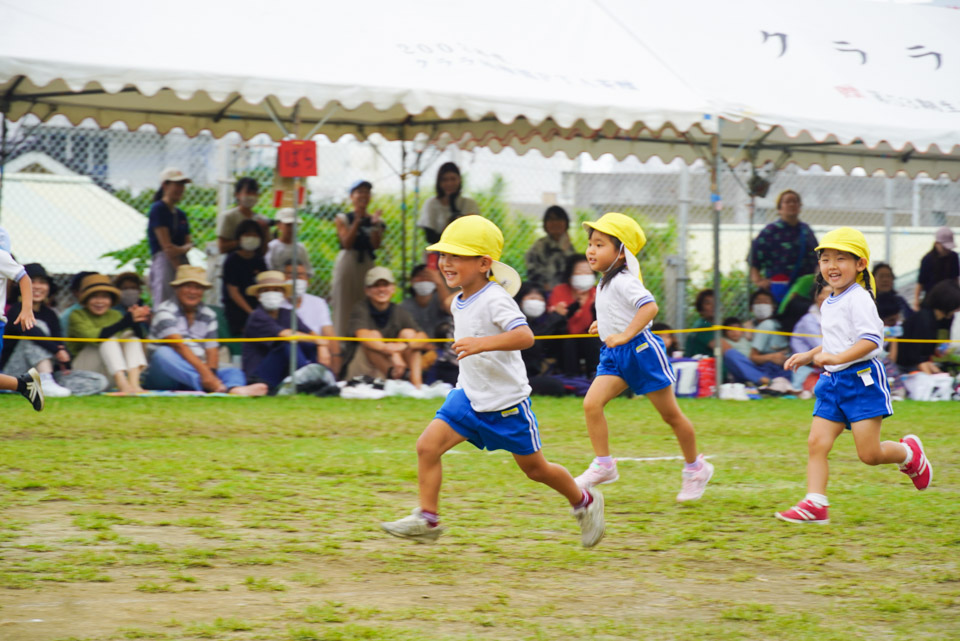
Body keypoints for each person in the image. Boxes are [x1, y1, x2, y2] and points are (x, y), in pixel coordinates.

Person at [380, 215, 604, 547]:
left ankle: (584, 501)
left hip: (505, 405)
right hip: (468, 397)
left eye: (456, 256)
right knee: (427, 447)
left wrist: (481, 343)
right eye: (443, 255)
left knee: (536, 469)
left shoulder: (496, 298)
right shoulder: (458, 300)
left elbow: (525, 336)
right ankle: (428, 520)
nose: (445, 263)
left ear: (484, 263)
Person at [777, 227, 931, 525]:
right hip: (832, 382)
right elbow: (840, 339)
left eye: (841, 258)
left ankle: (909, 453)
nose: (831, 266)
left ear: (860, 264)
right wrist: (812, 354)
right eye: (825, 259)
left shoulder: (859, 298)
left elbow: (872, 340)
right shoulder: (832, 299)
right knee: (816, 443)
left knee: (870, 455)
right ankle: (815, 503)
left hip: (861, 381)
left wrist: (836, 358)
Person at [573, 213, 713, 502]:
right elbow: (622, 311)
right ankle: (604, 465)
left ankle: (696, 468)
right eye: (590, 243)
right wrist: (608, 326)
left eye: (600, 244)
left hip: (641, 352)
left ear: (621, 253)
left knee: (671, 416)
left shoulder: (624, 280)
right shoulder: (604, 283)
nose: (591, 250)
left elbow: (649, 308)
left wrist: (624, 334)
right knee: (591, 403)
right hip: (614, 355)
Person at [143, 265, 267, 396]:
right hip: (166, 374)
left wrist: (212, 374)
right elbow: (179, 346)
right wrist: (207, 377)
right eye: (188, 286)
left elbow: (211, 350)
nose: (193, 292)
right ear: (176, 289)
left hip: (196, 370)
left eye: (198, 287)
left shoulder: (209, 314)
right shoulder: (165, 311)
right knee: (163, 354)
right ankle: (210, 387)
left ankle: (233, 389)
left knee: (233, 370)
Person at [343, 267, 431, 387]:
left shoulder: (400, 311)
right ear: (367, 290)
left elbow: (423, 337)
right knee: (373, 336)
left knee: (409, 334)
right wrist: (392, 352)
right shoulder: (360, 309)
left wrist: (404, 346)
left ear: (393, 288)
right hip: (364, 367)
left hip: (397, 365)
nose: (381, 289)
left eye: (385, 285)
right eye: (376, 286)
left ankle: (417, 385)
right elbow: (362, 335)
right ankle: (393, 377)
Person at [242, 271, 327, 389]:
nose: (271, 294)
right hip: (259, 375)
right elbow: (286, 335)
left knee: (310, 346)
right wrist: (320, 341)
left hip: (282, 373)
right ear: (258, 295)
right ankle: (306, 382)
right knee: (288, 344)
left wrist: (322, 346)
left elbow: (310, 334)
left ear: (284, 294)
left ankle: (319, 379)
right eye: (266, 290)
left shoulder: (287, 314)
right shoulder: (257, 316)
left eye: (276, 290)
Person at [67, 274, 149, 394]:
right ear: (86, 299)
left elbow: (139, 337)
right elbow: (96, 337)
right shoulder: (77, 315)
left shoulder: (115, 315)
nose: (100, 301)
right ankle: (123, 386)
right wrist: (126, 321)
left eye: (105, 297)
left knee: (130, 337)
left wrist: (134, 321)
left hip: (110, 371)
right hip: (85, 372)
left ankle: (134, 384)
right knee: (108, 339)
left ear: (111, 300)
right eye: (94, 296)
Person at [1, 263, 73, 397]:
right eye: (32, 282)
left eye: (42, 282)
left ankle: (49, 382)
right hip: (13, 371)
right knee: (36, 327)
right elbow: (31, 332)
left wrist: (64, 356)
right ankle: (43, 381)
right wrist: (57, 350)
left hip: (49, 366)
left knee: (98, 381)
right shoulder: (15, 310)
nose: (37, 287)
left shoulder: (50, 314)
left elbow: (58, 339)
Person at [331, 180, 385, 336]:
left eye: (366, 192)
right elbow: (346, 243)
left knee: (367, 302)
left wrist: (375, 225)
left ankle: (365, 340)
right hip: (348, 262)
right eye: (359, 192)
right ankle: (341, 343)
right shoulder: (343, 218)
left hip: (367, 264)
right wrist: (357, 220)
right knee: (344, 304)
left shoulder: (377, 220)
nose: (363, 195)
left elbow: (376, 245)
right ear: (351, 196)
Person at [0, 228, 45, 411]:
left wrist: (27, 308)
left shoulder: (1, 257)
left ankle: (23, 385)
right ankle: (24, 384)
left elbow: (24, 278)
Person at [748, 189, 819, 302]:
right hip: (778, 292)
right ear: (779, 208)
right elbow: (753, 260)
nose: (792, 204)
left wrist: (817, 280)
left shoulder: (806, 231)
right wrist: (759, 282)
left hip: (803, 292)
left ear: (800, 206)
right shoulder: (769, 232)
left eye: (795, 201)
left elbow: (818, 259)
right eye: (787, 202)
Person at [721, 289, 793, 390]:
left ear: (773, 307)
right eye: (758, 302)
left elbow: (753, 357)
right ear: (751, 308)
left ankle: (767, 382)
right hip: (759, 368)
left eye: (766, 302)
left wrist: (770, 357)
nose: (762, 305)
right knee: (732, 356)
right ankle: (762, 382)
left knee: (731, 356)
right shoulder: (748, 326)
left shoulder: (768, 325)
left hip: (773, 369)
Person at [280, 260, 340, 376]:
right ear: (283, 279)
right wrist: (320, 342)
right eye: (290, 275)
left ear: (308, 281)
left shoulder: (318, 303)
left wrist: (335, 367)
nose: (295, 280)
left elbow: (329, 334)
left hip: (316, 352)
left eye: (300, 275)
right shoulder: (277, 305)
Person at [147, 167, 193, 306]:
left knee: (185, 304)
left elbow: (187, 243)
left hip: (182, 261)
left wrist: (180, 250)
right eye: (177, 184)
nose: (181, 189)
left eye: (182, 185)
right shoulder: (158, 209)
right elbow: (167, 248)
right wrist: (180, 268)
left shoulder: (181, 214)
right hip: (165, 262)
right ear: (165, 185)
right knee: (164, 304)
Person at [548, 254, 599, 377]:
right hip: (564, 342)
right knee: (568, 340)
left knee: (592, 338)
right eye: (579, 273)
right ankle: (571, 376)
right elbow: (565, 326)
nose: (584, 276)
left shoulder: (599, 293)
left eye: (588, 272)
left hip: (590, 340)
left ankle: (594, 373)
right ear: (570, 276)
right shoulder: (559, 291)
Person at [897, 279, 960, 375]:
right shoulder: (924, 320)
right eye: (955, 306)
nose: (956, 310)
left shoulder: (935, 319)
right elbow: (919, 360)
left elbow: (925, 357)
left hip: (916, 365)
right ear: (948, 304)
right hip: (905, 368)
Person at [221, 219, 267, 336]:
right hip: (237, 310)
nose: (251, 237)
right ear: (239, 237)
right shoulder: (232, 260)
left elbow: (265, 286)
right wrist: (251, 313)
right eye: (247, 234)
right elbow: (233, 293)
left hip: (258, 307)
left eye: (255, 234)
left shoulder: (259, 260)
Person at [417, 162, 480, 244]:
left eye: (453, 179)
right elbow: (430, 238)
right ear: (439, 182)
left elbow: (473, 234)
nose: (449, 183)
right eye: (445, 180)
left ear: (459, 180)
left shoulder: (469, 204)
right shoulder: (431, 204)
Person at [525, 206, 577, 292]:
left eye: (559, 219)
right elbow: (533, 273)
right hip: (544, 291)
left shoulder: (569, 246)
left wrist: (565, 250)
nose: (555, 223)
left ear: (566, 223)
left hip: (567, 292)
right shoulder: (539, 246)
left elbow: (574, 271)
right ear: (545, 224)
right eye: (551, 219)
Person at [400, 264, 455, 339]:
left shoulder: (440, 299)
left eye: (427, 277)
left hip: (443, 346)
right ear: (412, 281)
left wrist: (439, 282)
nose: (424, 279)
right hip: (418, 346)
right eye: (420, 277)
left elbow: (449, 307)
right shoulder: (405, 306)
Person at [217, 177, 270, 255]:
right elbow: (222, 248)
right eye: (248, 192)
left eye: (254, 193)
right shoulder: (228, 217)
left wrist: (265, 232)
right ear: (237, 194)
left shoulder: (261, 219)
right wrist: (245, 242)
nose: (252, 196)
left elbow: (265, 251)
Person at [914, 226, 959, 311]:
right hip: (931, 300)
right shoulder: (927, 259)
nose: (947, 250)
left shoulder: (953, 257)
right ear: (936, 244)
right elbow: (921, 282)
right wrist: (916, 302)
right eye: (944, 247)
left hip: (949, 299)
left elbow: (955, 279)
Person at [265, 208, 313, 276]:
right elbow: (269, 270)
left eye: (295, 225)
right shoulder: (272, 247)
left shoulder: (300, 248)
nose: (292, 228)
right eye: (288, 225)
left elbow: (308, 271)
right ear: (278, 225)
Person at [683, 289, 715, 358]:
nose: (713, 306)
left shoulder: (708, 324)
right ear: (700, 308)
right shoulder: (704, 326)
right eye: (708, 303)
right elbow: (724, 349)